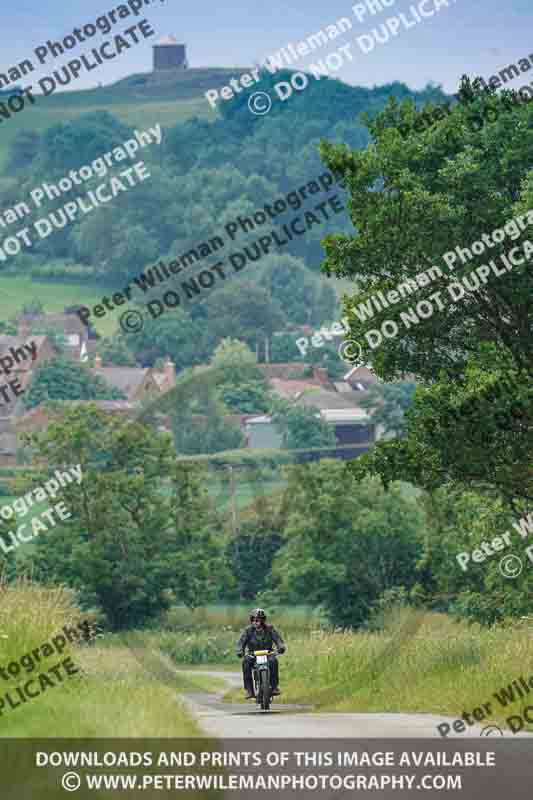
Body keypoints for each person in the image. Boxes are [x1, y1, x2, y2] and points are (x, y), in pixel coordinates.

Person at [236, 608, 286, 699]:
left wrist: (281, 647)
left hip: (268, 654)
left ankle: (274, 687)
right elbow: (241, 642)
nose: (255, 622)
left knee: (274, 661)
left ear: (263, 620)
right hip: (253, 655)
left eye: (258, 620)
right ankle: (249, 690)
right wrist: (239, 650)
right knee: (245, 662)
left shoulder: (270, 629)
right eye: (253, 620)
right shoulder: (248, 630)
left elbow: (278, 640)